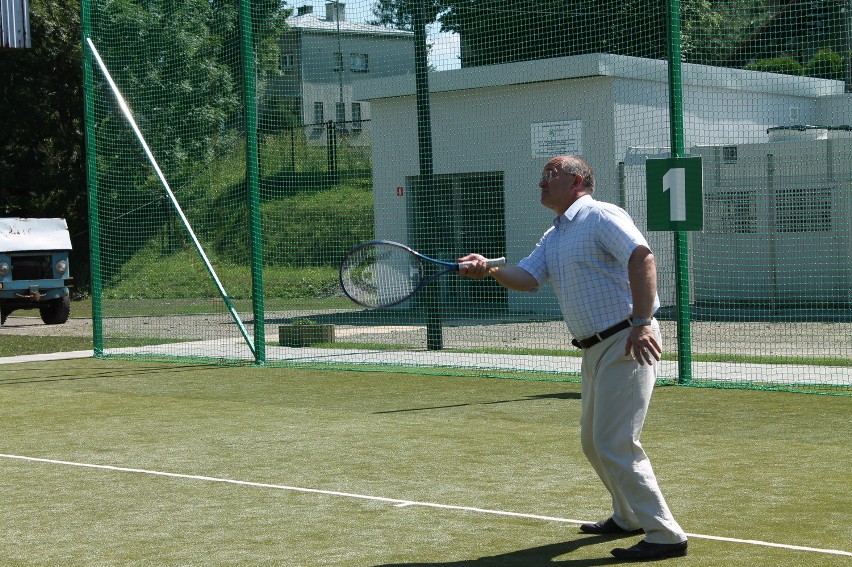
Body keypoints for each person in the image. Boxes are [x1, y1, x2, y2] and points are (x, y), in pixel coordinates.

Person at [458, 155, 688, 561]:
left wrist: (643, 322)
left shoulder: (601, 215)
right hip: (594, 348)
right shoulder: (556, 233)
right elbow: (528, 278)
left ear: (578, 180)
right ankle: (628, 516)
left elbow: (642, 257)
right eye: (542, 176)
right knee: (592, 443)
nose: (541, 183)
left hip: (628, 340)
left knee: (615, 441)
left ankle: (666, 536)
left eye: (551, 175)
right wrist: (490, 269)